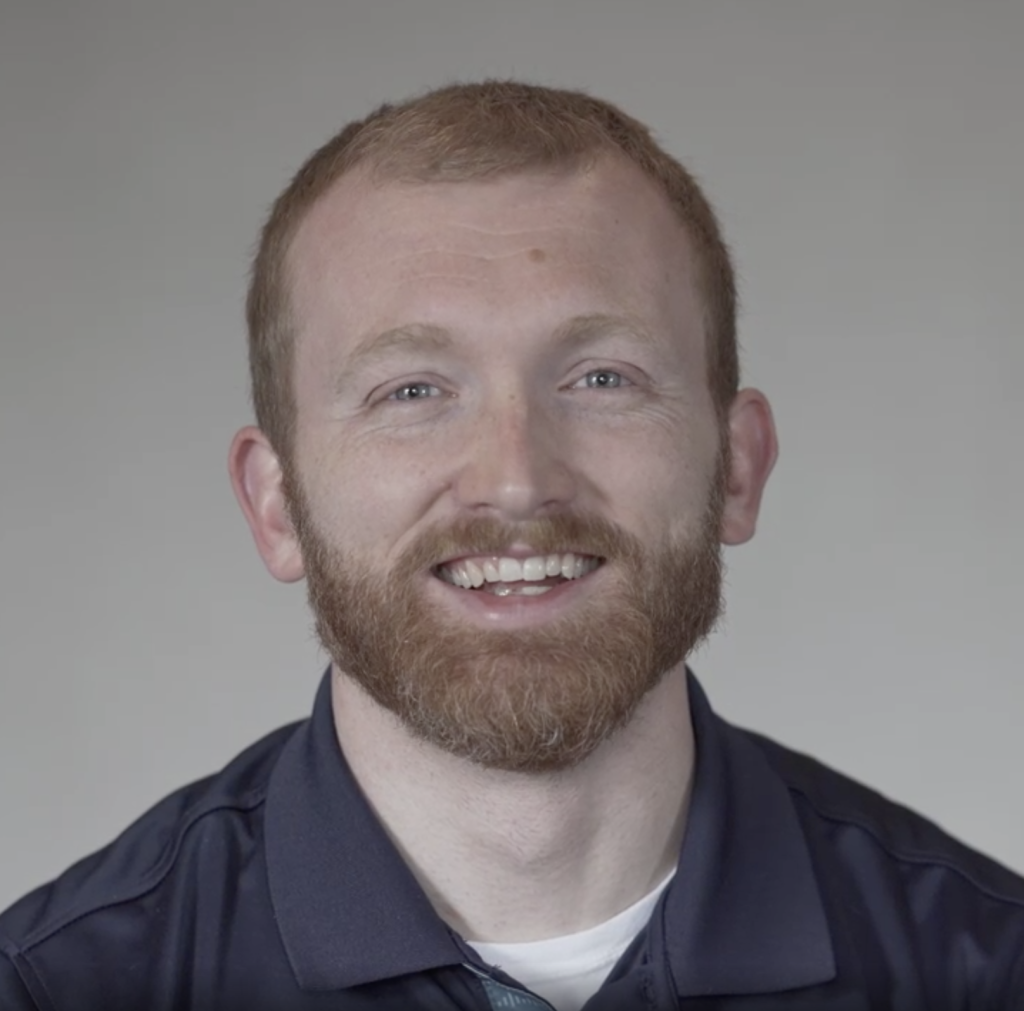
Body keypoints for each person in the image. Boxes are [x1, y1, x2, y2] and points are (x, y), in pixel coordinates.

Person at [1, 80, 1021, 1011]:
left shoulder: (984, 968)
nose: (516, 478)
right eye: (412, 392)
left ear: (737, 468)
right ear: (274, 506)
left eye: (601, 378)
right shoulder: (59, 989)